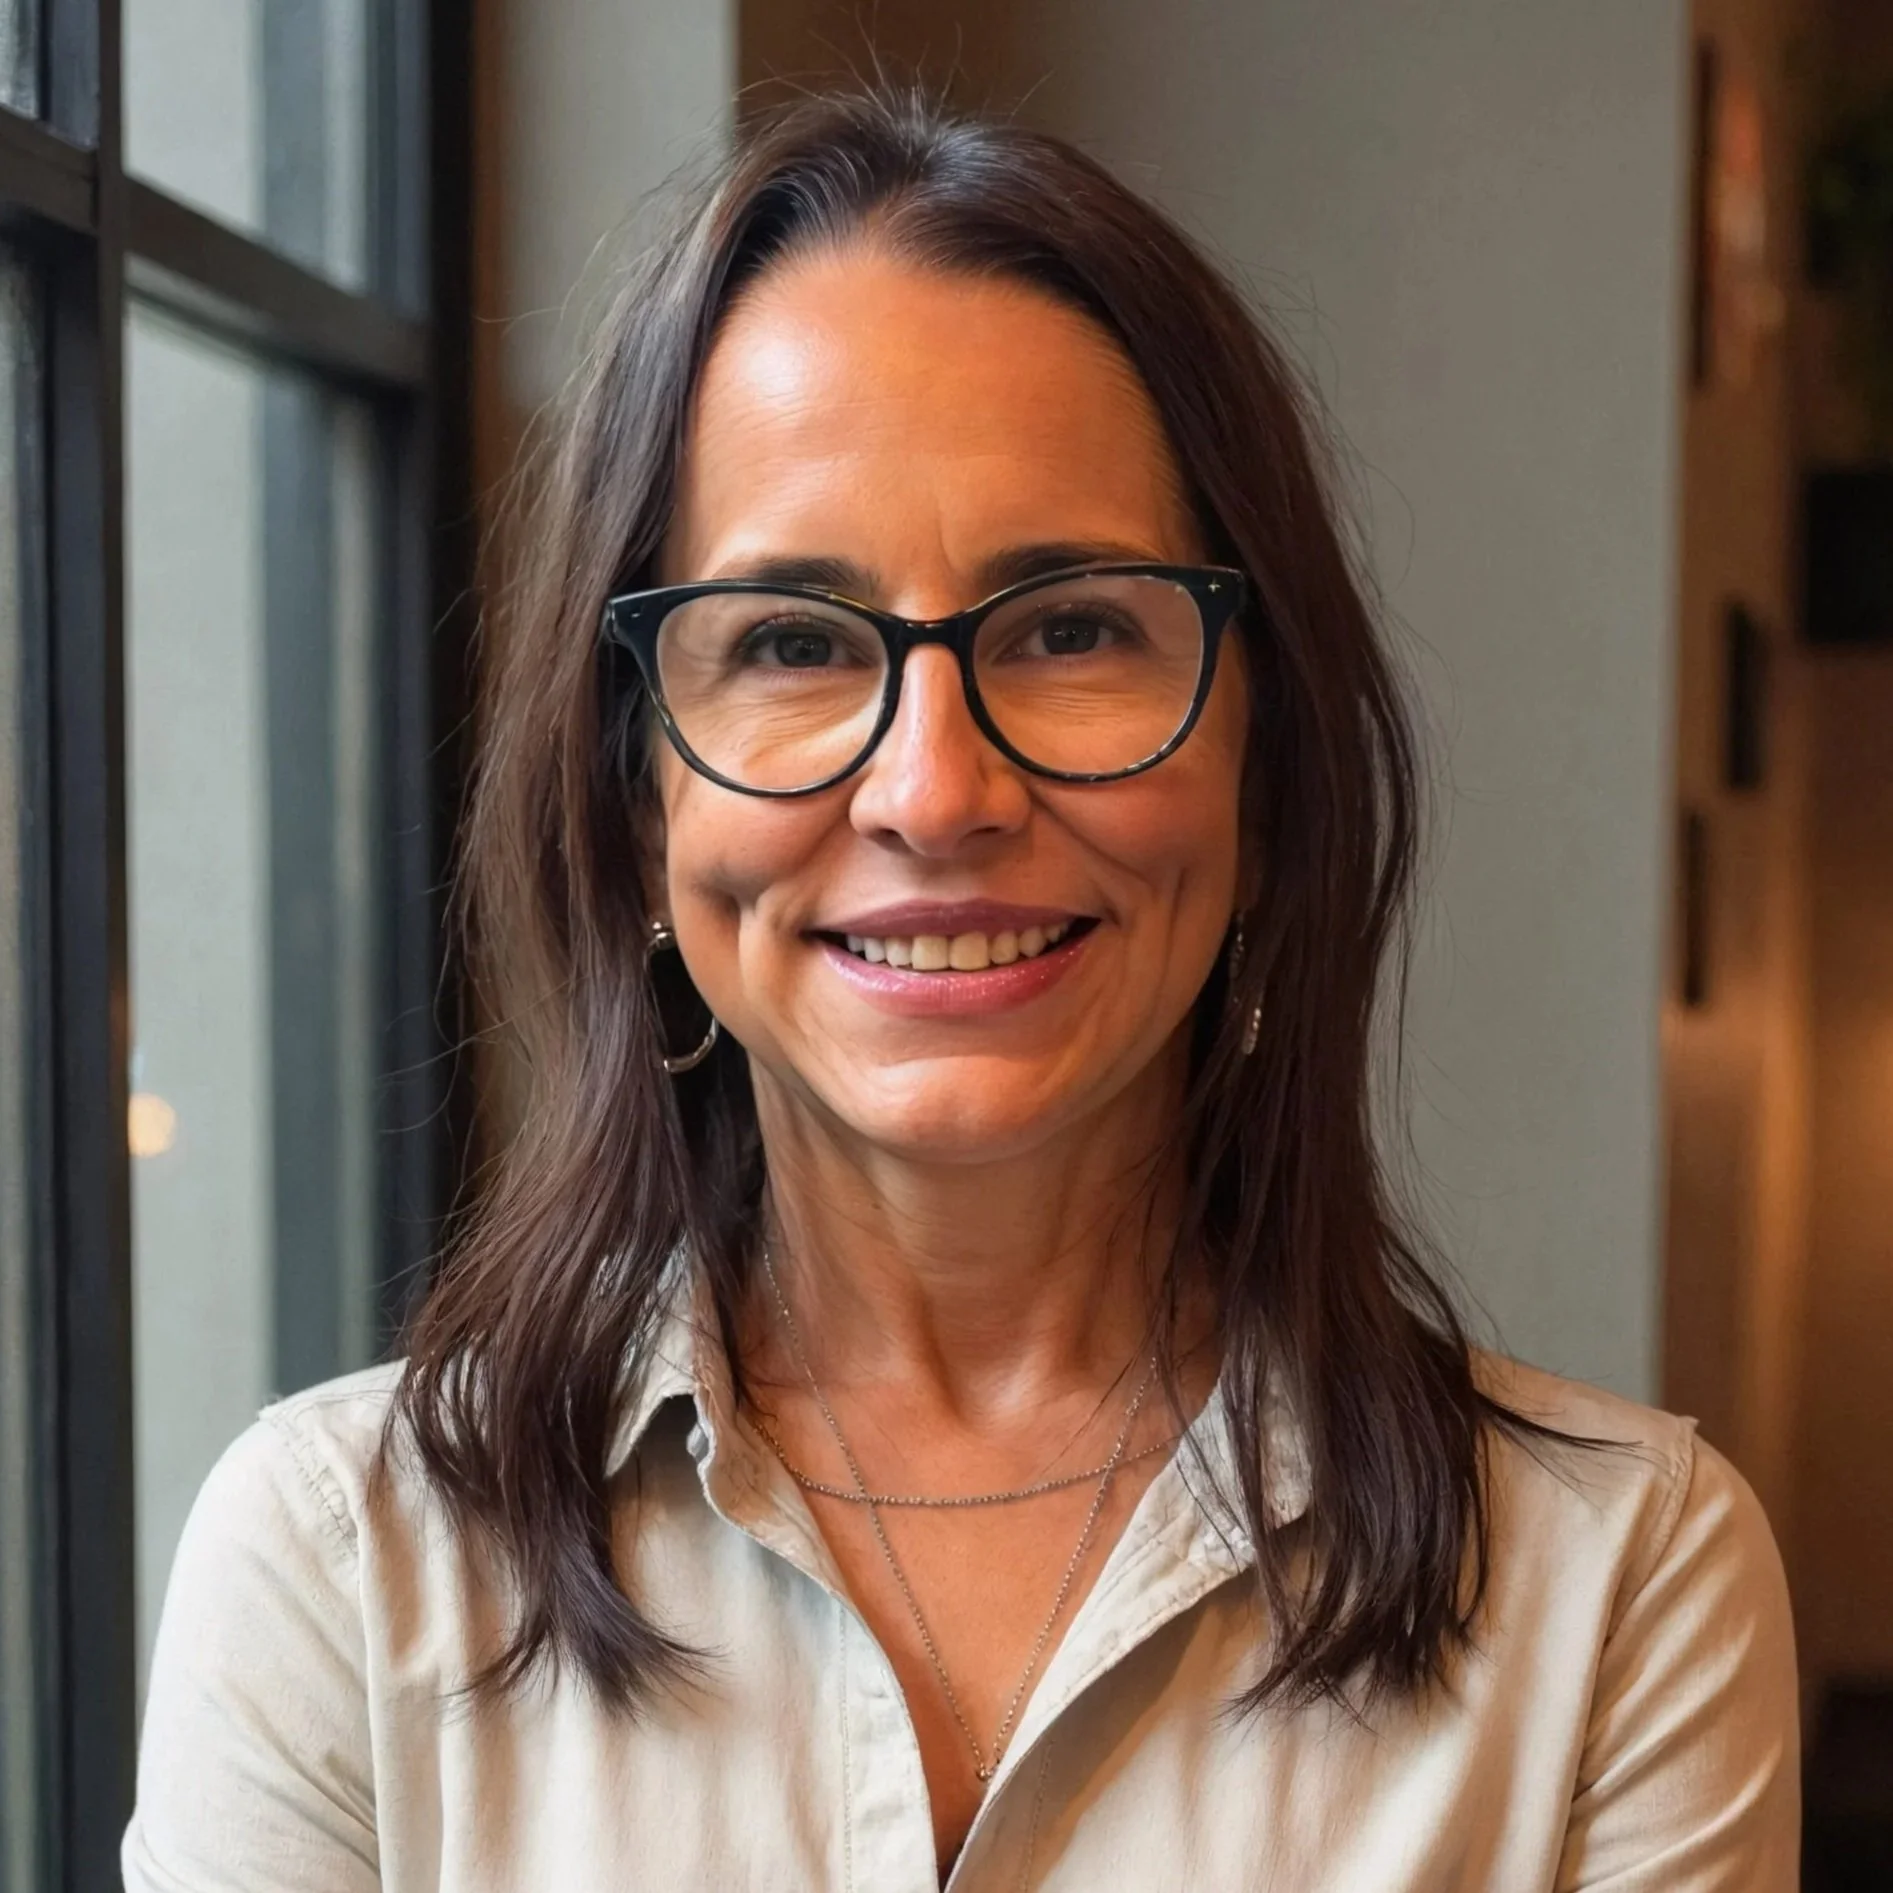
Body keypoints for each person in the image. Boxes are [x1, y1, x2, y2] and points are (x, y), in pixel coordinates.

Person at [123, 90, 1798, 1892]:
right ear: (635, 800)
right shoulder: (334, 1568)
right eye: (789, 642)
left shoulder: (1620, 1592)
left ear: (1267, 752)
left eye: (1072, 625)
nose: (935, 791)